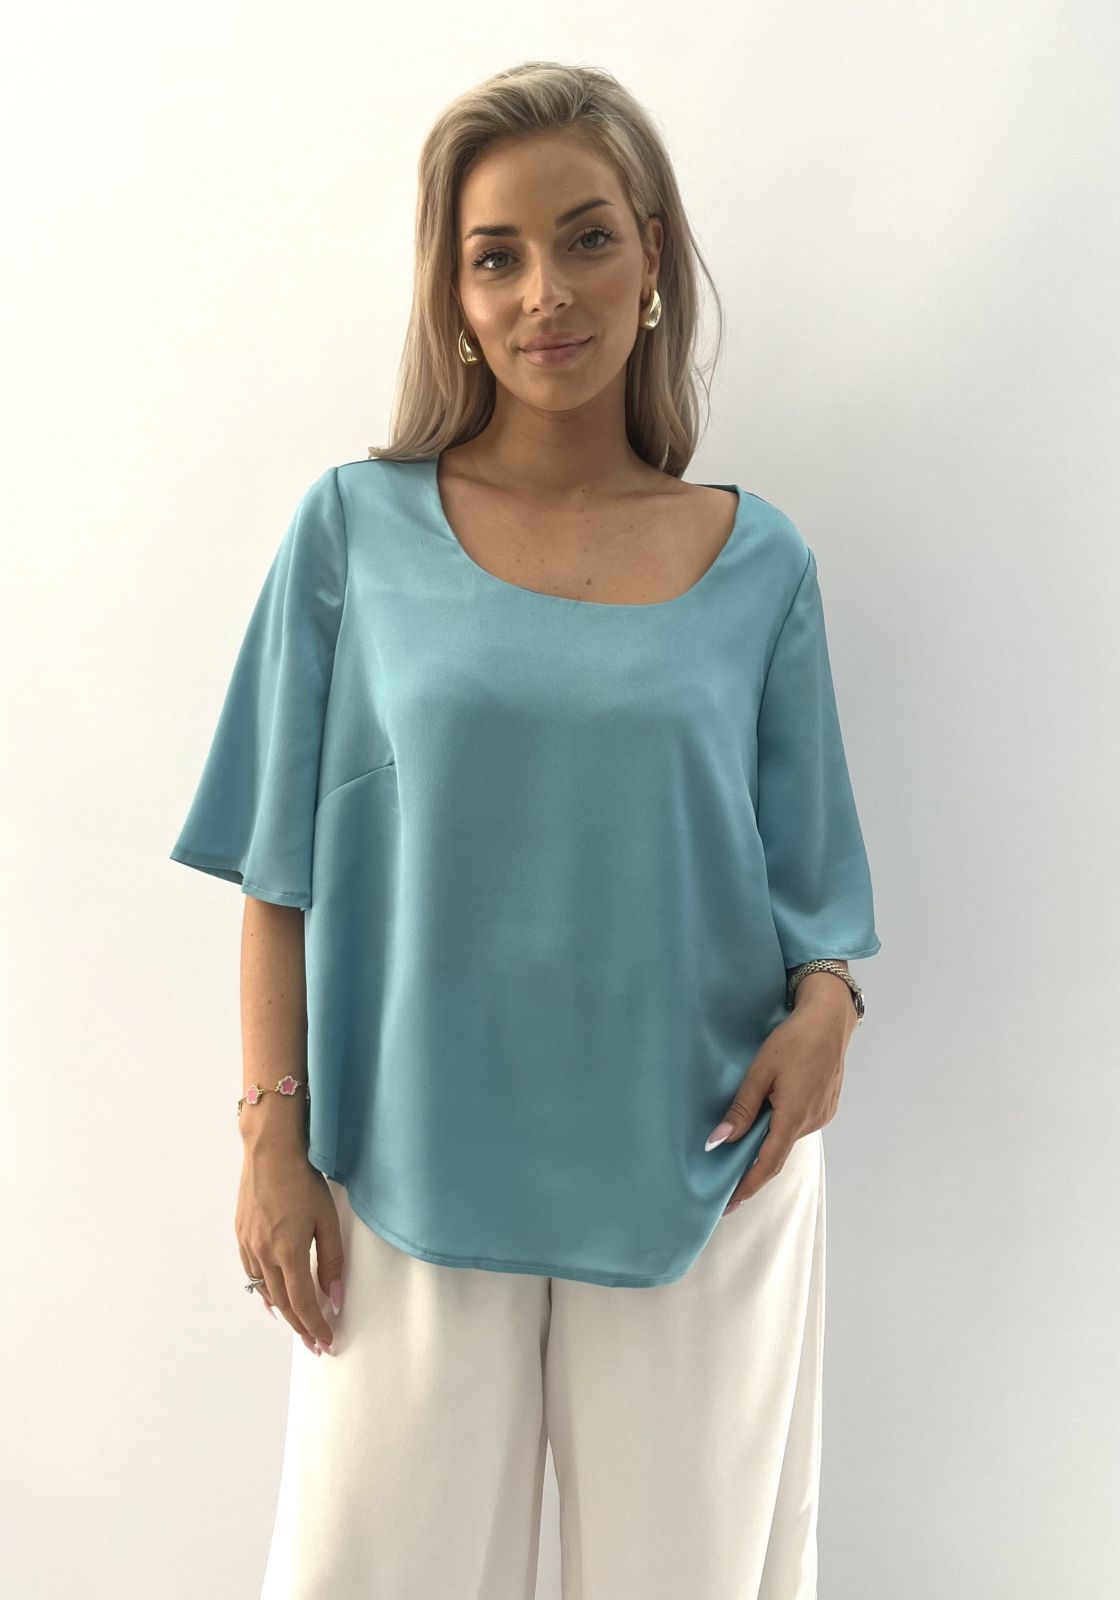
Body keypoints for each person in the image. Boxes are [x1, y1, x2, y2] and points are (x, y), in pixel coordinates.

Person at [170, 59, 881, 1600]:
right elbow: (277, 876)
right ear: (454, 291)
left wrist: (831, 1007)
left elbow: (816, 892)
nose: (543, 291)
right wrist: (271, 1137)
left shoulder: (759, 564)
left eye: (587, 239)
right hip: (404, 1163)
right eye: (496, 255)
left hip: (705, 1166)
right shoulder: (351, 533)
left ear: (653, 260)